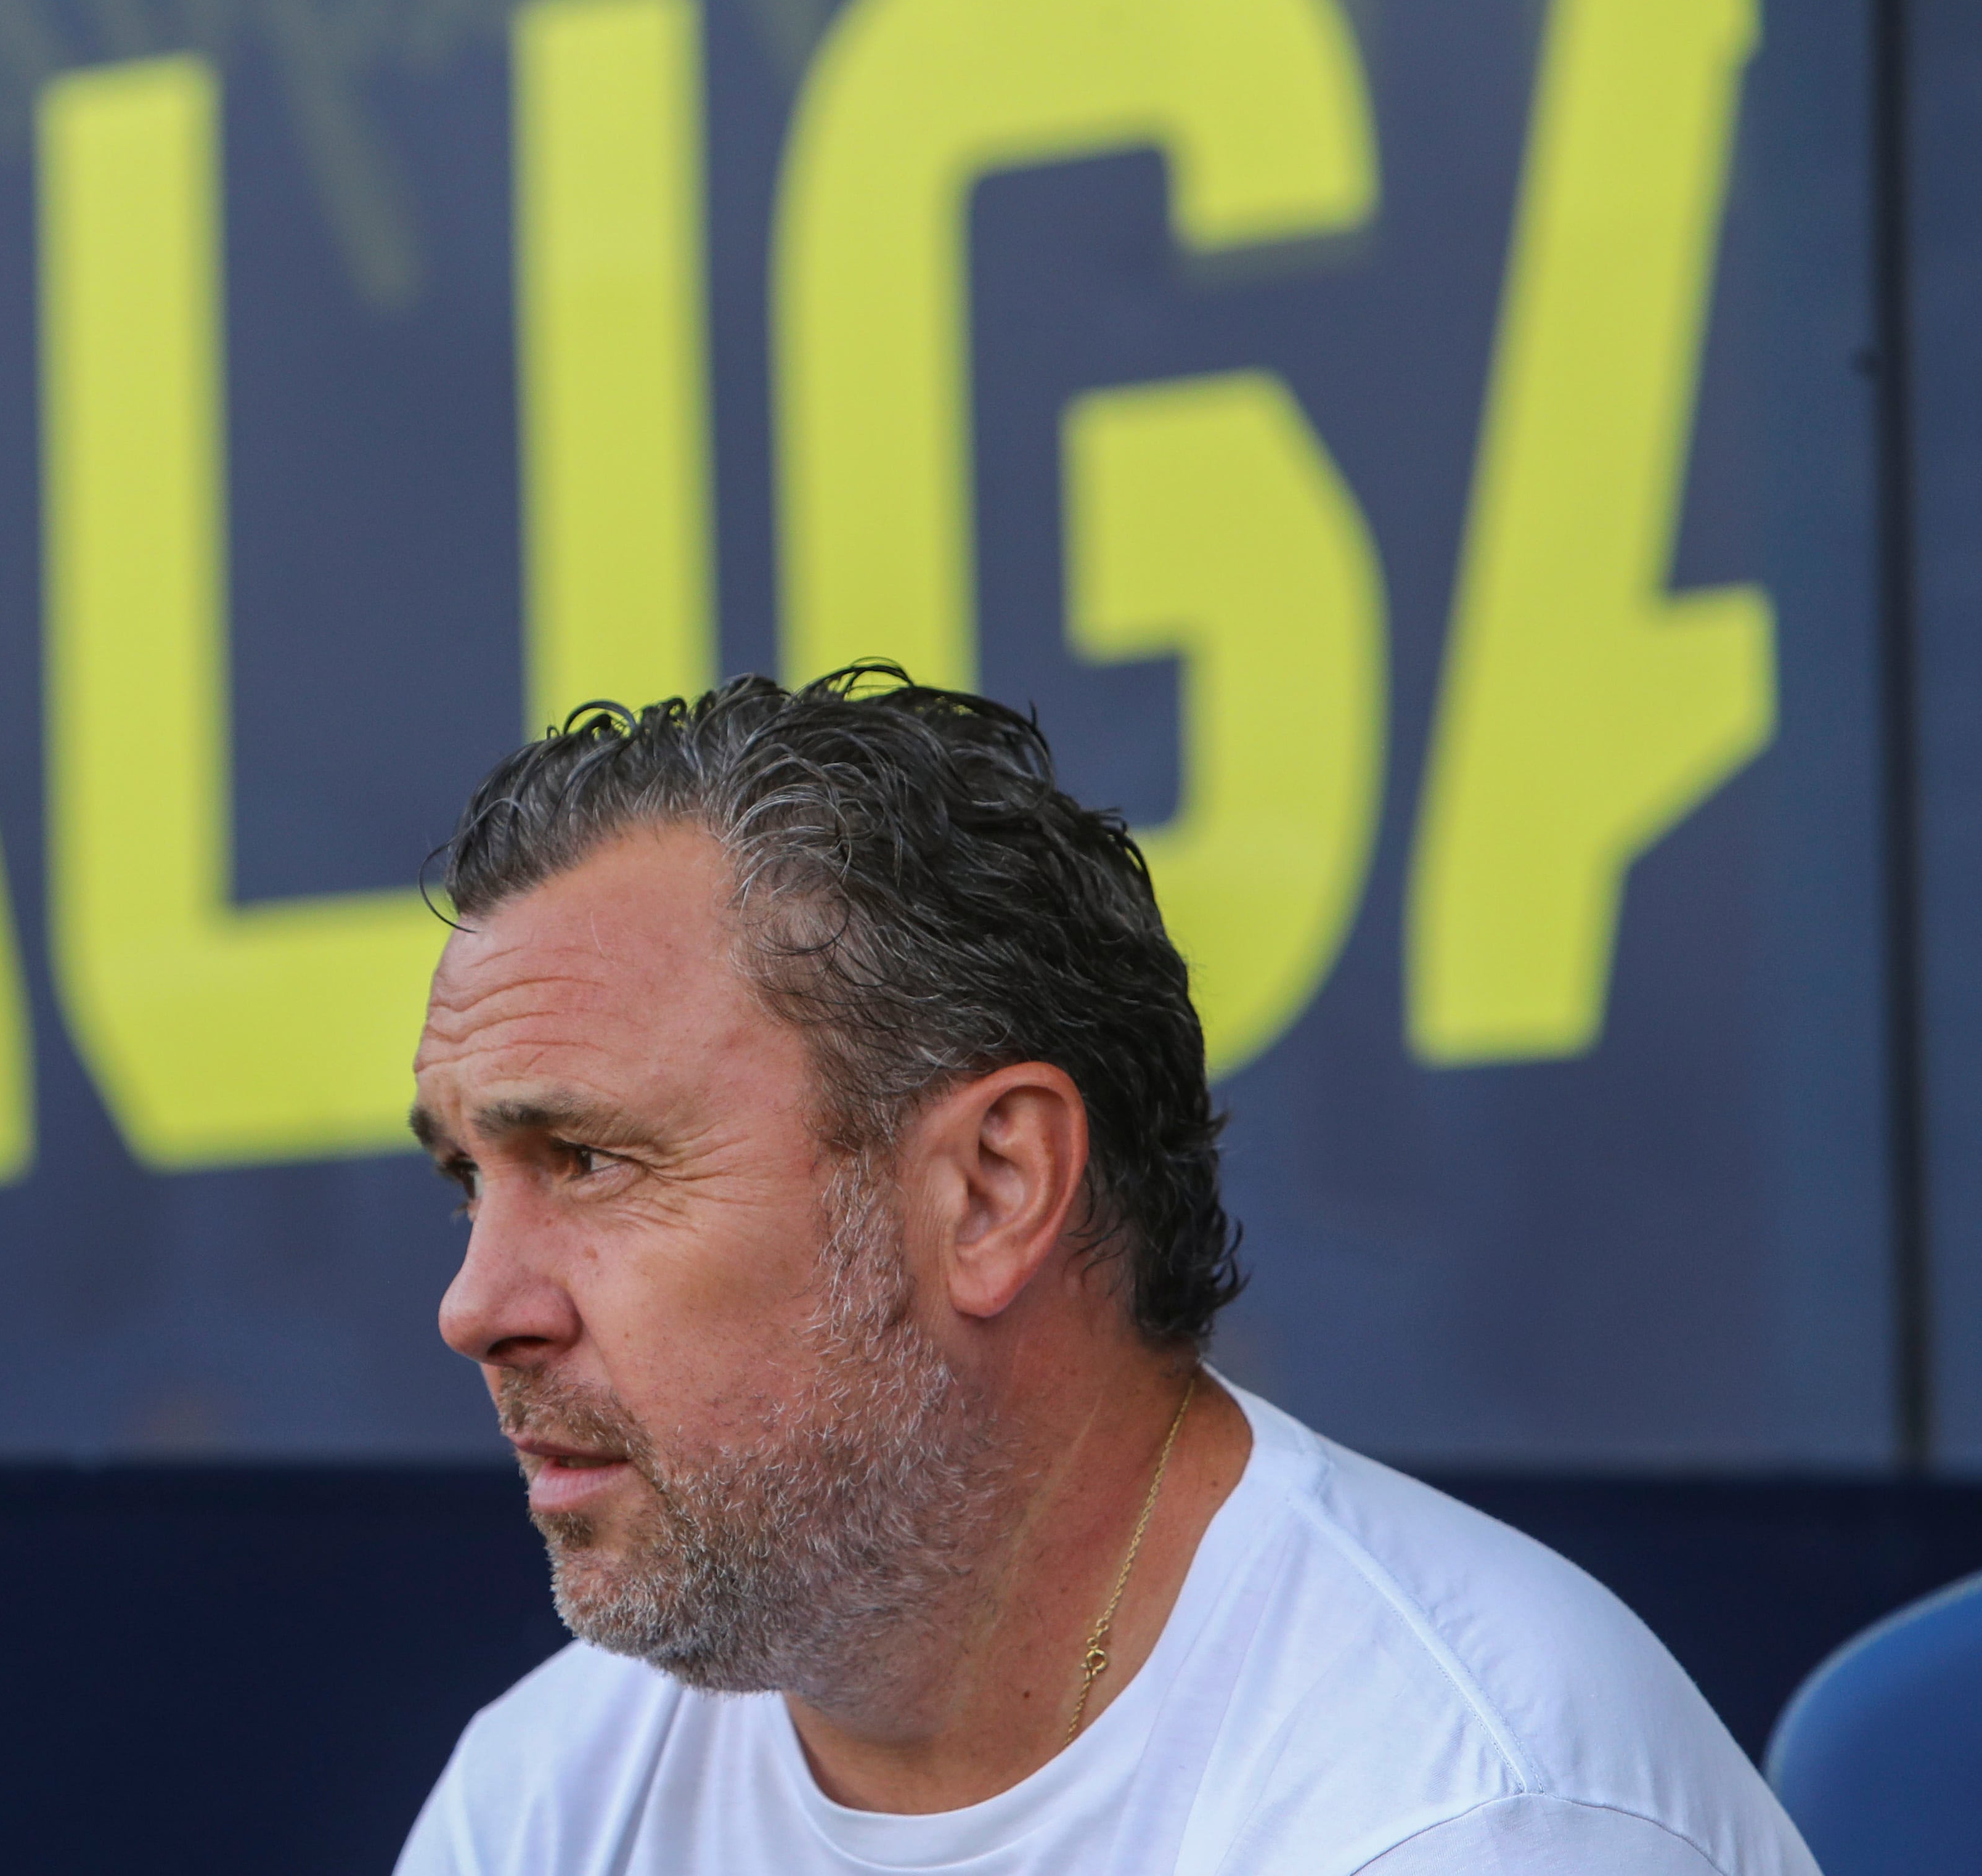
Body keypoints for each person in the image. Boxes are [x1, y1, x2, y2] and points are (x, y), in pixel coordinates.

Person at [397, 671, 1816, 1875]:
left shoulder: (1467, 1813)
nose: (477, 1304)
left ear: (994, 1188)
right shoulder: (549, 1794)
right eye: (470, 1178)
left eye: (587, 1158)